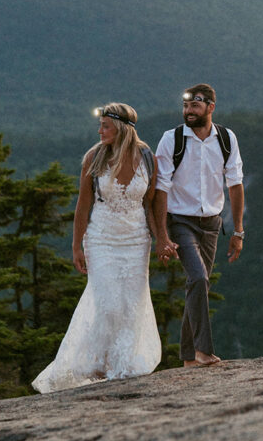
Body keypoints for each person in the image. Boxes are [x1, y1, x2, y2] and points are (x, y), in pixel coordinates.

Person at [32, 103, 161, 391]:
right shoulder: (94, 157)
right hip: (101, 238)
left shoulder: (147, 158)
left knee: (131, 304)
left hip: (136, 240)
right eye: (100, 125)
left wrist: (162, 239)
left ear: (123, 129)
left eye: (106, 126)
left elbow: (150, 203)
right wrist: (76, 246)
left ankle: (122, 363)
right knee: (108, 302)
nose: (100, 131)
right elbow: (83, 205)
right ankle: (97, 364)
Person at [153, 83, 244, 368]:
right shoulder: (172, 139)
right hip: (180, 221)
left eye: (195, 105)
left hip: (212, 224)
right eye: (186, 106)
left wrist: (238, 231)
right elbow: (160, 190)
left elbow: (236, 184)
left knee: (199, 286)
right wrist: (161, 235)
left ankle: (189, 359)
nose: (188, 111)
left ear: (210, 107)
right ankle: (203, 351)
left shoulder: (227, 139)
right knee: (198, 278)